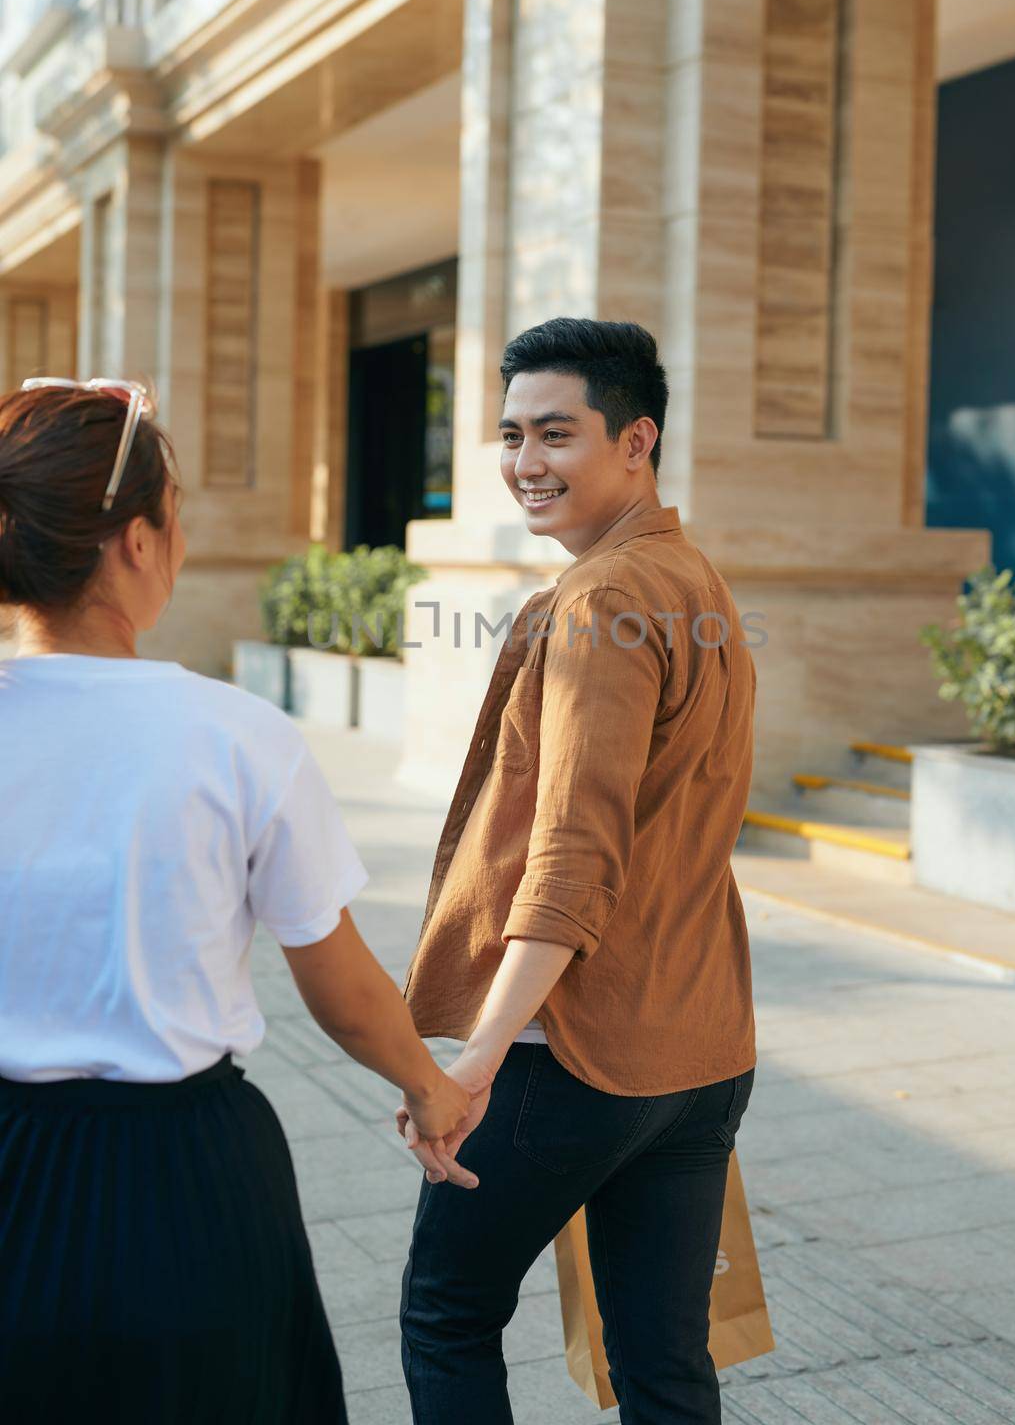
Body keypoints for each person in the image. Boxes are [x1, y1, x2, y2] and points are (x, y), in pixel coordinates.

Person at [0, 376, 471, 1425]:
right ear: (136, 540)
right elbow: (339, 980)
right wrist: (429, 1087)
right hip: (186, 1175)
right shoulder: (234, 735)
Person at [396, 318, 758, 1424]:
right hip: (698, 1051)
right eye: (511, 435)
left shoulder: (604, 600)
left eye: (556, 434)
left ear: (636, 439)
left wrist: (477, 1056)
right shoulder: (690, 577)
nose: (524, 464)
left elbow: (573, 853)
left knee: (446, 1313)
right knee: (663, 1360)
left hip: (578, 1055)